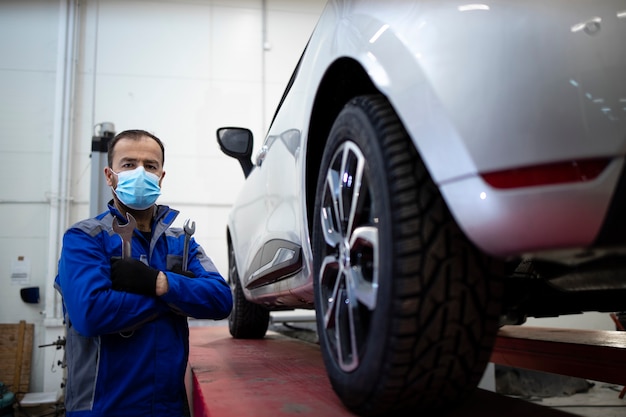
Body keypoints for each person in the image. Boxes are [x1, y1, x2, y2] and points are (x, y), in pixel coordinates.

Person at [55, 129, 233, 417]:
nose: (140, 172)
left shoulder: (181, 242)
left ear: (161, 176)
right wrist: (176, 298)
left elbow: (221, 300)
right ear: (109, 175)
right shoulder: (84, 238)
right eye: (128, 164)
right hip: (103, 409)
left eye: (150, 166)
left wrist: (158, 282)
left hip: (168, 408)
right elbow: (90, 314)